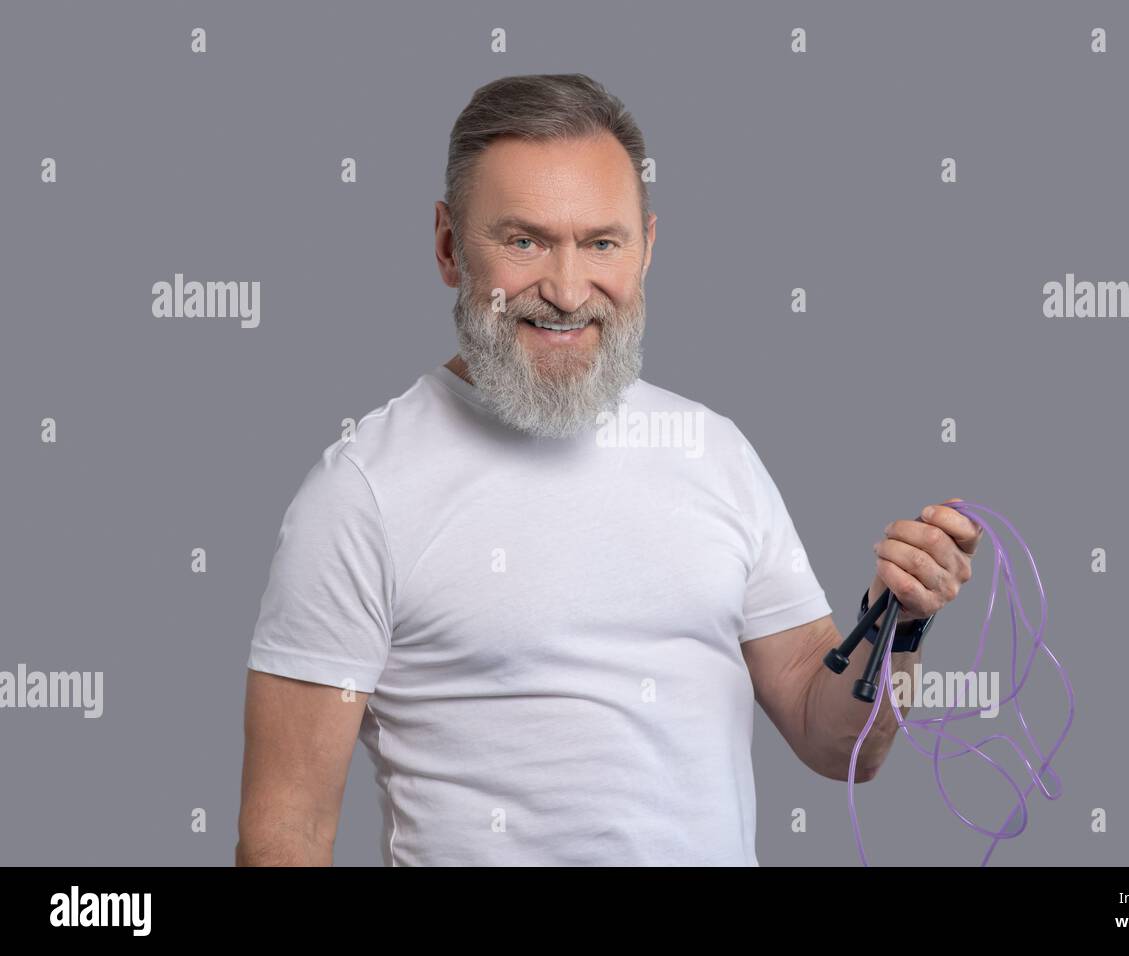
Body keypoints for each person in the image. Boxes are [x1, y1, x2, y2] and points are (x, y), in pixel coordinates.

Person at [236, 73, 981, 866]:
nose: (565, 289)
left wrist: (894, 623)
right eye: (524, 242)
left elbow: (839, 745)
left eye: (601, 243)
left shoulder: (714, 451)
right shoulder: (361, 494)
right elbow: (287, 831)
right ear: (450, 246)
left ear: (647, 248)